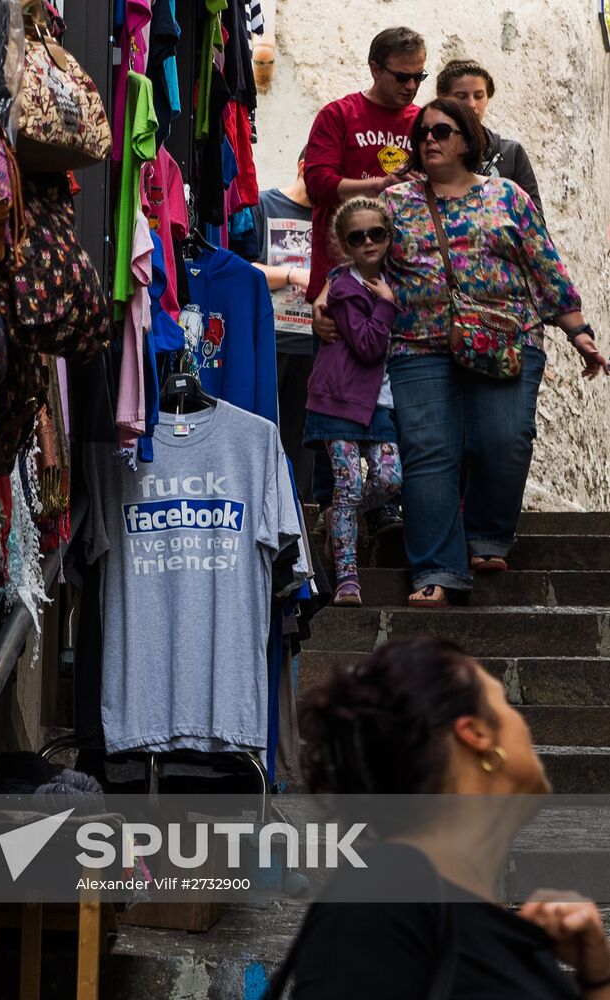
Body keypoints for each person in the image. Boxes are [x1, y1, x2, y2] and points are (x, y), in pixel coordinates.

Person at [268, 637, 610, 999]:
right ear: (476, 733)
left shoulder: (491, 929)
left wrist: (598, 980)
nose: (523, 724)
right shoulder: (386, 899)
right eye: (506, 704)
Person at [375, 97, 606, 607]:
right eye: (422, 134)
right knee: (429, 454)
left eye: (442, 131)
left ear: (469, 140)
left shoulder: (507, 196)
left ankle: (487, 534)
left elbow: (545, 266)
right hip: (419, 344)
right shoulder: (395, 204)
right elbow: (363, 261)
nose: (429, 140)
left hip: (507, 338)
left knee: (505, 439)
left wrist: (578, 331)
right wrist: (333, 298)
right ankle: (435, 567)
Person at [302, 26, 425, 535]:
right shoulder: (339, 114)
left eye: (420, 77)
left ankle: (385, 500)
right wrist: (380, 185)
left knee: (396, 395)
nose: (412, 88)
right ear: (375, 68)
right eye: (402, 76)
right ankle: (334, 502)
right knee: (340, 390)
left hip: (402, 287)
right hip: (345, 284)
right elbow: (318, 182)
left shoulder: (424, 123)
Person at [302, 198, 402, 607]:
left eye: (376, 234)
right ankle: (346, 578)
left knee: (390, 479)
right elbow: (367, 344)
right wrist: (386, 305)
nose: (368, 243)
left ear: (389, 237)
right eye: (357, 237)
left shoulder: (394, 279)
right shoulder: (343, 287)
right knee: (347, 484)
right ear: (344, 244)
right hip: (339, 401)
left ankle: (338, 519)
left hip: (380, 404)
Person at [242, 147, 316, 498]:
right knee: (261, 433)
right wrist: (291, 274)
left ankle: (299, 514)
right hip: (269, 341)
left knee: (304, 448)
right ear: (302, 166)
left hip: (315, 346)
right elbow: (242, 268)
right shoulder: (263, 205)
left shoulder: (337, 217)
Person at [436, 58, 543, 217]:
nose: (471, 104)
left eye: (479, 96)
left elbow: (534, 218)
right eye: (461, 96)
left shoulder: (511, 153)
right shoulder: (431, 151)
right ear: (443, 98)